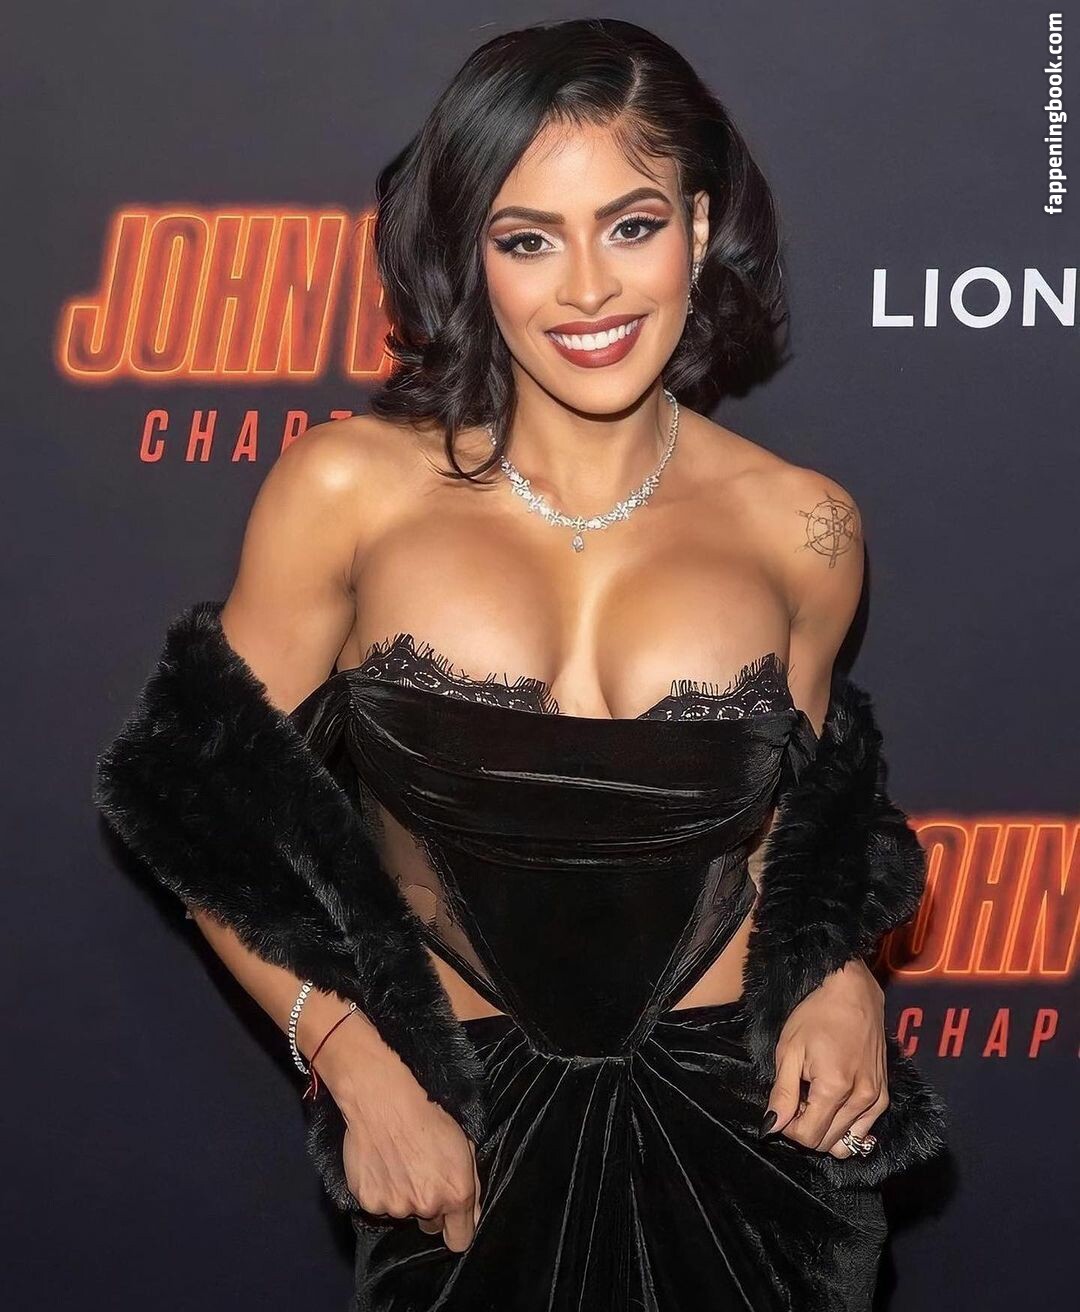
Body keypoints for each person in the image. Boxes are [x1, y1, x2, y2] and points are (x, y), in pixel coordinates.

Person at [94, 18, 947, 1311]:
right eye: (529, 239)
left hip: (761, 1149)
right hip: (466, 1148)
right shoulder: (349, 490)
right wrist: (356, 1067)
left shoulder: (805, 526)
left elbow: (805, 824)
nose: (589, 290)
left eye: (632, 225)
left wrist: (843, 977)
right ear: (471, 256)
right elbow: (196, 810)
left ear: (698, 228)